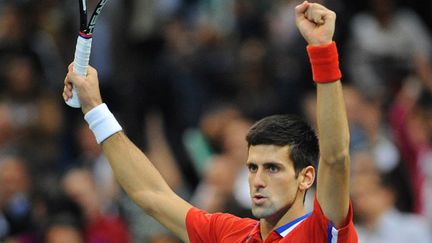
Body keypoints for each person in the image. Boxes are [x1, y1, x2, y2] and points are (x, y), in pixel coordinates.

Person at [62, 1, 357, 242]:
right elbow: (150, 194)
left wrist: (322, 51)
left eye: (273, 168)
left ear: (306, 177)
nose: (258, 180)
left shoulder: (321, 232)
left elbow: (335, 157)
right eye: (253, 167)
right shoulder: (228, 234)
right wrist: (95, 108)